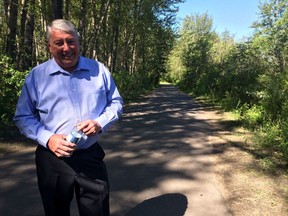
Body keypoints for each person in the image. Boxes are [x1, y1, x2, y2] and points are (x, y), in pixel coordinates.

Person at [13, 19, 123, 216]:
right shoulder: (36, 76)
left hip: (90, 156)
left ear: (78, 43)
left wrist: (100, 122)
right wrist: (49, 138)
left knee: (97, 210)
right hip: (52, 159)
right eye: (59, 43)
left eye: (71, 41)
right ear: (49, 46)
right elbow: (23, 116)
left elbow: (115, 102)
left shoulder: (99, 71)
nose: (66, 48)